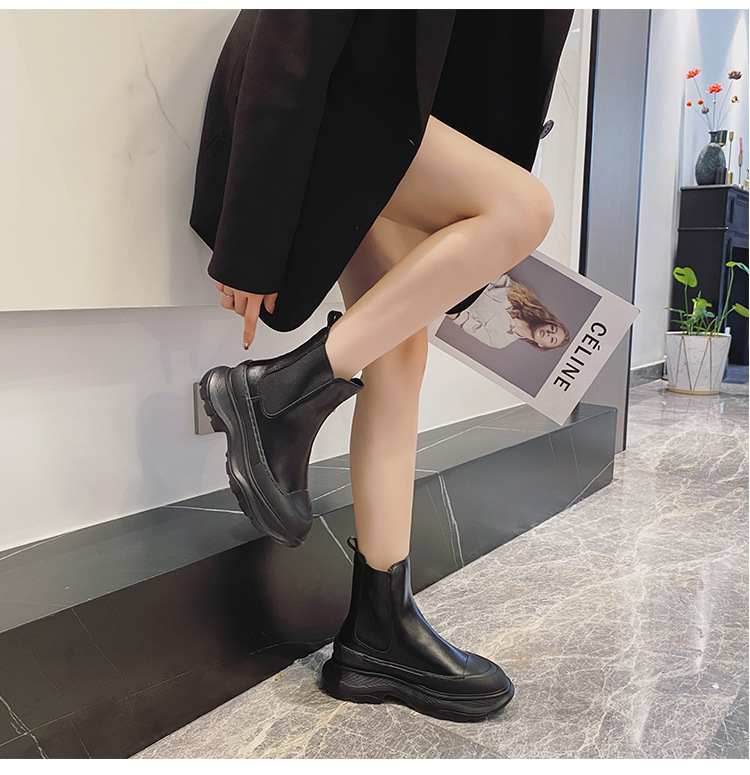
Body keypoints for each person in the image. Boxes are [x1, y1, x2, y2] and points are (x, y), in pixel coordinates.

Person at [193, 9, 573, 722]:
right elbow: (292, 29)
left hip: (389, 116)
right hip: (323, 102)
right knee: (524, 209)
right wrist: (250, 238)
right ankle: (275, 395)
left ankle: (379, 628)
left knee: (400, 351)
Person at [447, 273, 571, 350]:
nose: (549, 333)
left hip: (453, 298)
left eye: (552, 339)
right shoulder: (524, 298)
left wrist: (445, 302)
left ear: (542, 345)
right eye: (553, 328)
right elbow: (493, 275)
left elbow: (460, 319)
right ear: (548, 322)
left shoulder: (500, 341)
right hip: (467, 275)